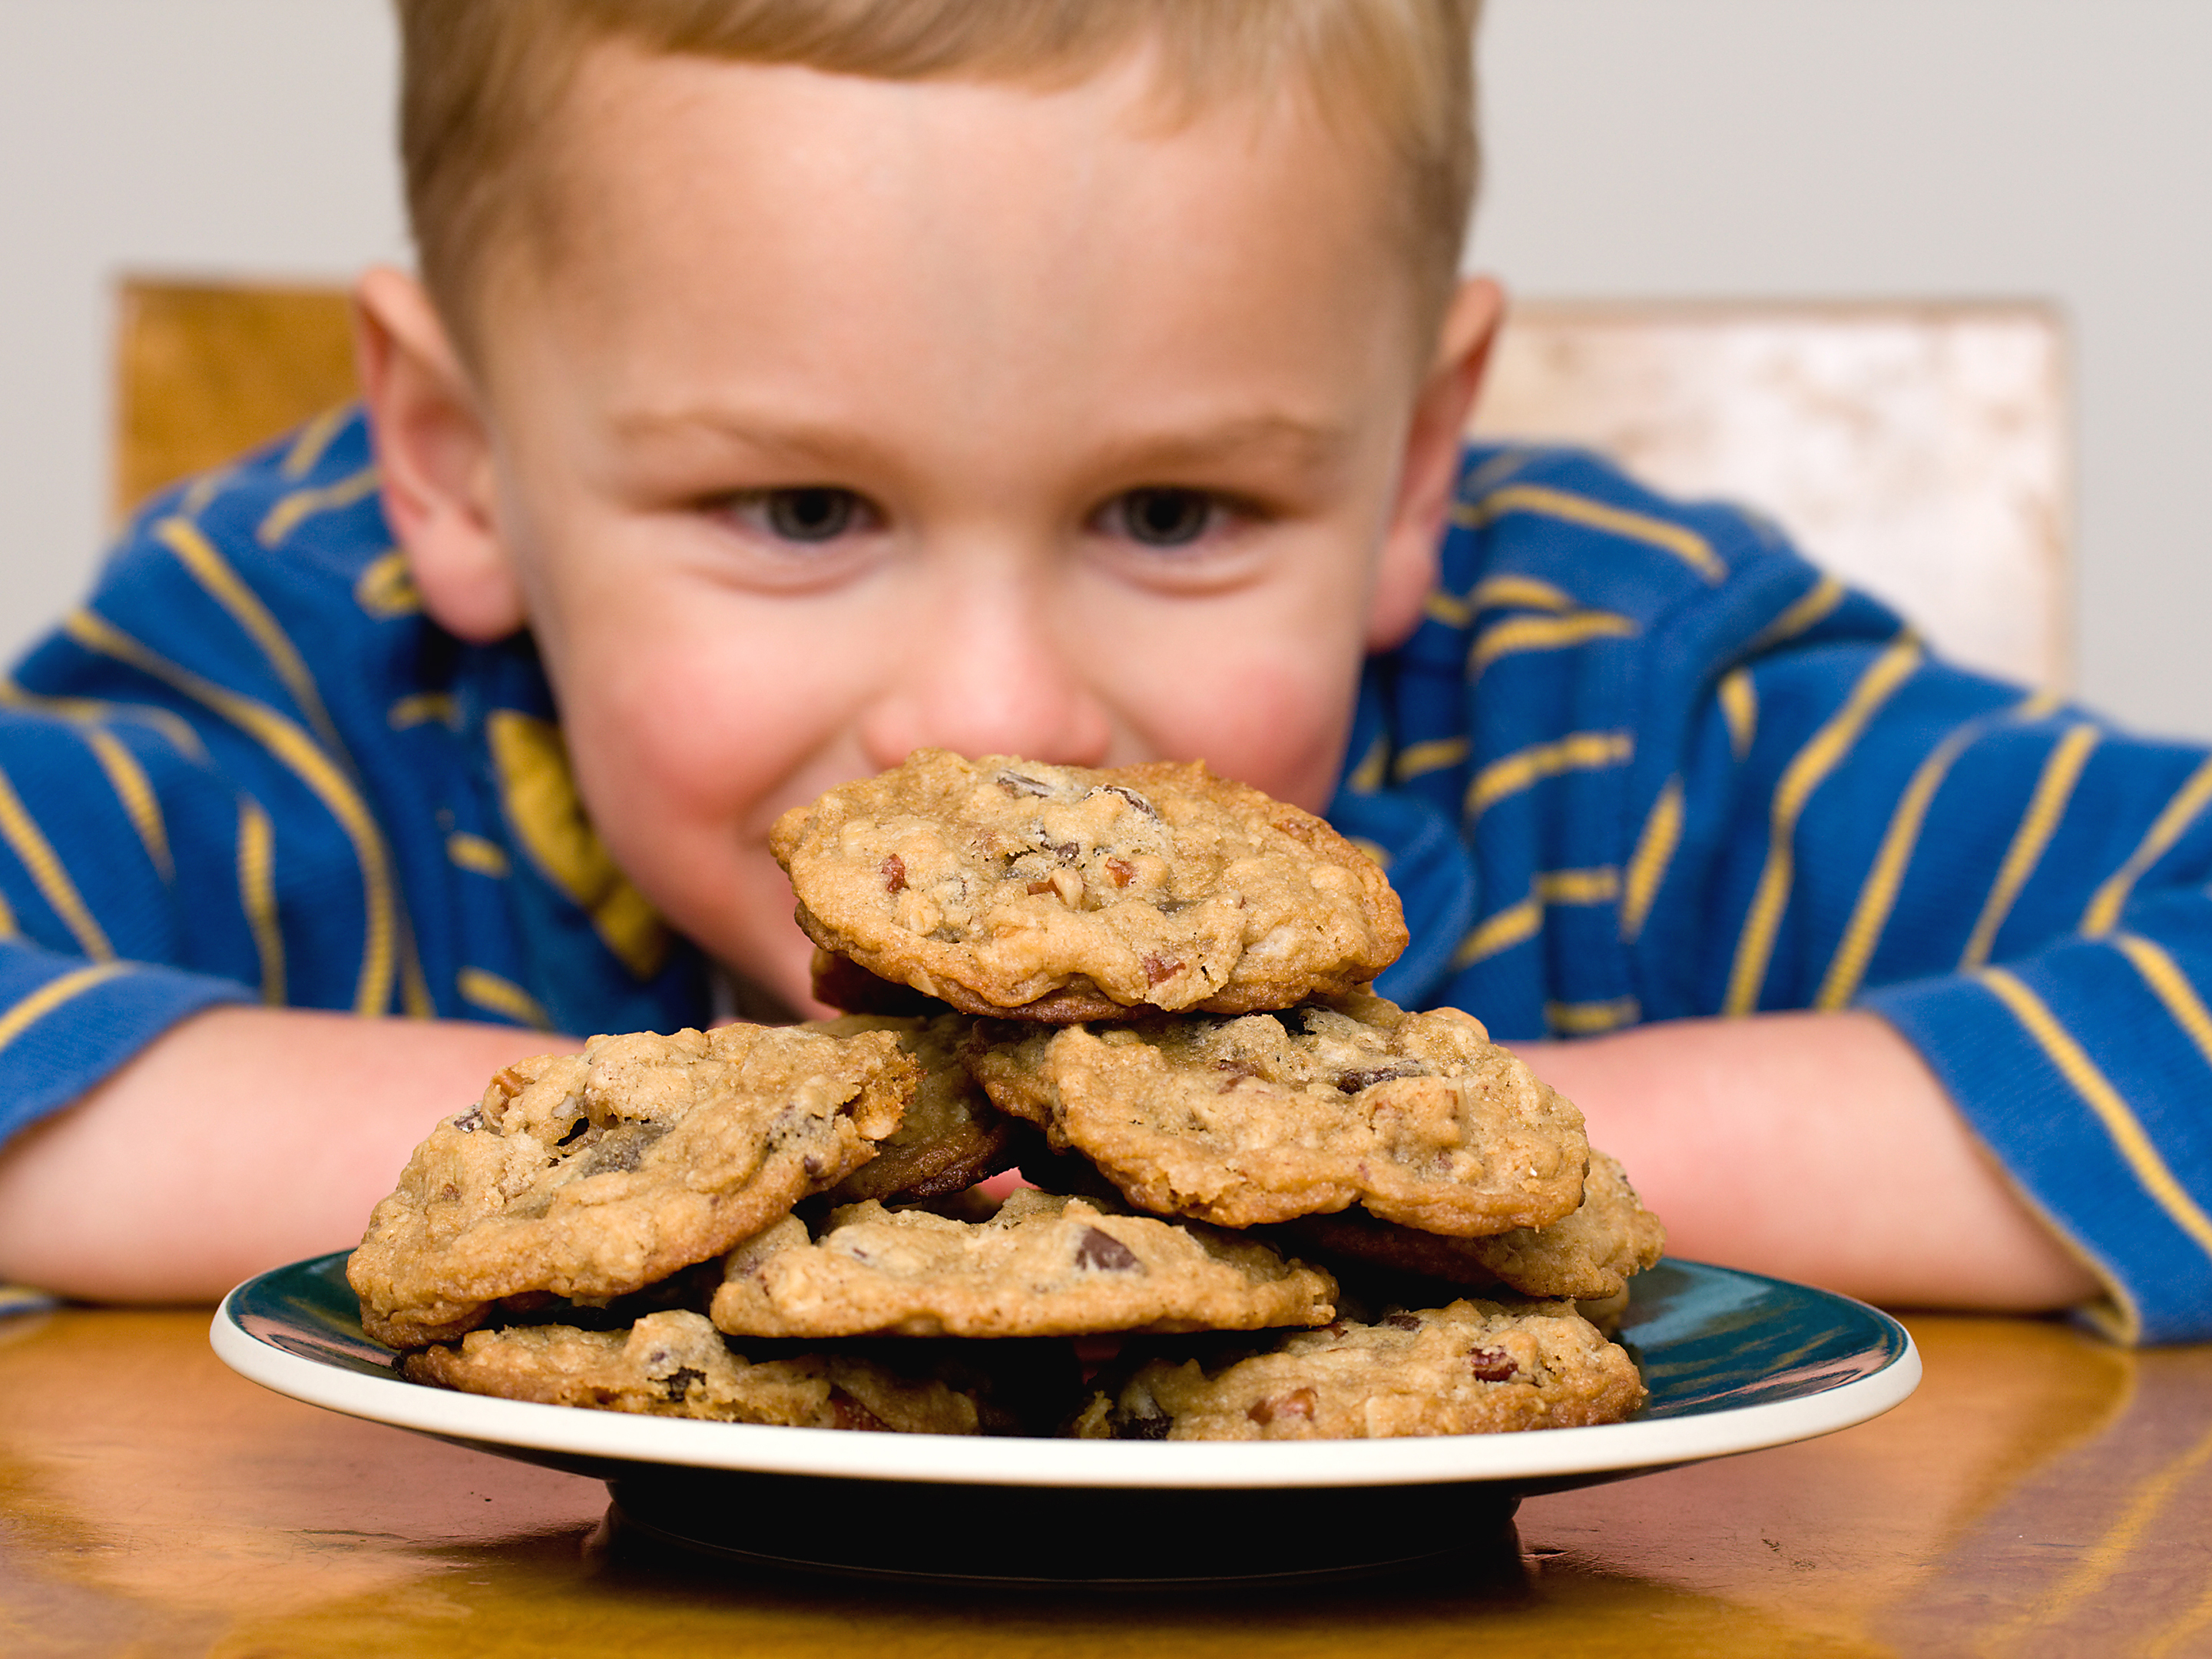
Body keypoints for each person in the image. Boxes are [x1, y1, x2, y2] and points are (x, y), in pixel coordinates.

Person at [0, 0, 2202, 1340]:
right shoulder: (299, 690)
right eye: (798, 513)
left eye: (1170, 517)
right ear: (459, 466)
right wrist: (663, 1172)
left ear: (1414, 468)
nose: (995, 720)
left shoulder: (1617, 707)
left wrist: (1431, 1165)